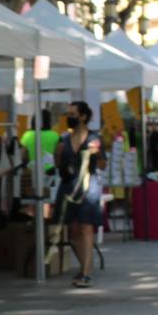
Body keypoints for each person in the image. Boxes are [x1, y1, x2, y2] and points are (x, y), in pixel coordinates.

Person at [54, 99, 103, 288]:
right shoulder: (63, 139)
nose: (69, 117)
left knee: (86, 227)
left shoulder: (93, 139)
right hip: (68, 186)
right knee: (73, 229)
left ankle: (86, 272)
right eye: (68, 114)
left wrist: (97, 154)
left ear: (83, 116)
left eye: (73, 114)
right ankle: (84, 267)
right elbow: (59, 165)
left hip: (88, 186)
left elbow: (102, 165)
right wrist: (58, 155)